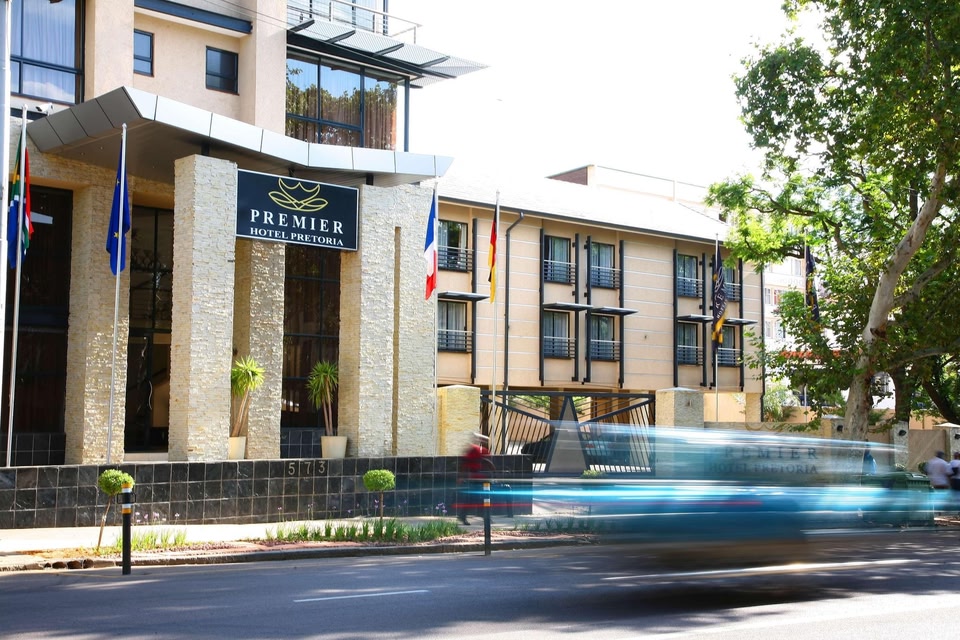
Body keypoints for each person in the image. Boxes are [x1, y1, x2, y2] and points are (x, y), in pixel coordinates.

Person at [457, 434, 495, 525]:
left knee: (481, 497)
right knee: (474, 498)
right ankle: (465, 515)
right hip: (475, 477)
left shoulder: (480, 450)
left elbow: (487, 462)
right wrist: (461, 476)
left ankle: (483, 515)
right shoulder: (474, 449)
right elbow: (465, 463)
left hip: (480, 477)